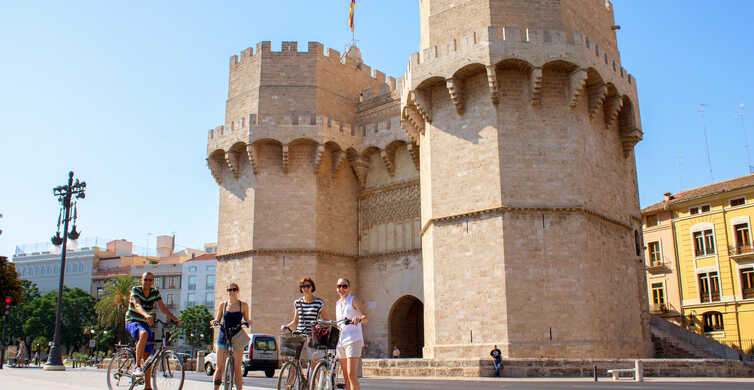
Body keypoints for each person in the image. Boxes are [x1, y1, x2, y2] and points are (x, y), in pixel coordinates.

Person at [125, 272, 180, 388]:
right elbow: (137, 305)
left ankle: (148, 386)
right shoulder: (136, 290)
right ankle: (137, 366)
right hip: (132, 321)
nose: (148, 282)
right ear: (141, 280)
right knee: (144, 334)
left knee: (149, 357)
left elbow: (163, 307)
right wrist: (146, 315)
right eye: (145, 280)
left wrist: (174, 318)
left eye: (150, 280)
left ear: (153, 282)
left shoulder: (155, 292)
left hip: (146, 323)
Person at [281, 277, 329, 370]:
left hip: (312, 337)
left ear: (312, 287)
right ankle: (290, 384)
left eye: (308, 286)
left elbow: (326, 321)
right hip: (299, 336)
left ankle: (314, 384)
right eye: (303, 286)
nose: (305, 288)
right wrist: (286, 326)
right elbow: (295, 322)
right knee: (292, 363)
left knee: (313, 363)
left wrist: (319, 326)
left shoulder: (319, 303)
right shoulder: (297, 303)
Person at [210, 282, 251, 390]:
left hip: (237, 335)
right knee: (219, 368)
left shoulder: (244, 305)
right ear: (227, 292)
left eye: (234, 289)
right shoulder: (223, 305)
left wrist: (248, 322)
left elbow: (247, 319)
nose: (231, 292)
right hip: (224, 335)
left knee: (237, 368)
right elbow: (217, 319)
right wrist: (214, 322)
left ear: (237, 291)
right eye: (229, 290)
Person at [335, 278, 367, 390]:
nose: (341, 289)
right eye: (339, 286)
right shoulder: (338, 304)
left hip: (353, 339)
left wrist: (358, 318)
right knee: (346, 377)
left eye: (344, 286)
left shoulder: (353, 300)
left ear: (349, 288)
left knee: (351, 375)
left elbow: (365, 317)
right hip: (341, 341)